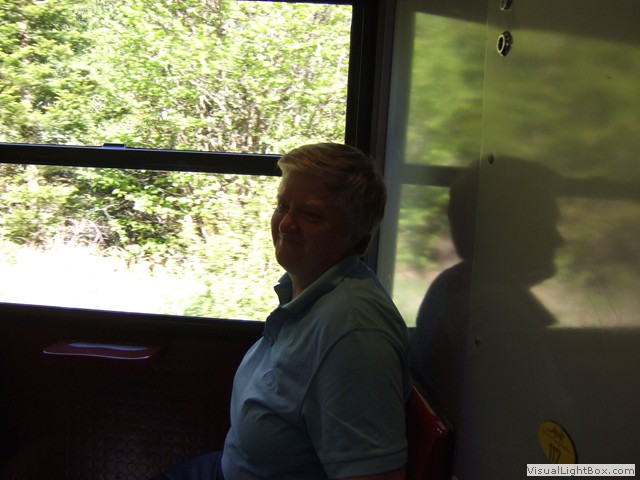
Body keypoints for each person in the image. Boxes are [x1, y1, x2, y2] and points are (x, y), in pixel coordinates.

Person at [156, 143, 411, 480]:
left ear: (355, 232)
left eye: (311, 215)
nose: (287, 223)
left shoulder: (354, 335)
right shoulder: (307, 293)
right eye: (283, 206)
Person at [409, 158, 570, 479]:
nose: (558, 239)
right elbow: (516, 457)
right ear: (512, 230)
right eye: (546, 223)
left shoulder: (452, 286)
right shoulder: (498, 315)